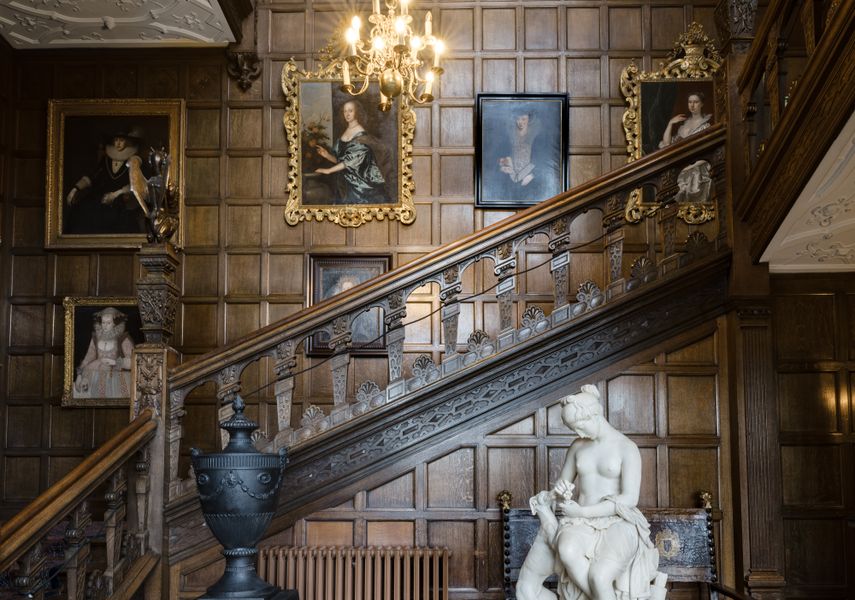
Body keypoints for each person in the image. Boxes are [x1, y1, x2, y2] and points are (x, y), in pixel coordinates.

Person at [516, 385, 666, 600]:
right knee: (566, 549)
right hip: (579, 523)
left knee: (599, 576)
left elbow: (630, 499)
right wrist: (555, 493)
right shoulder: (578, 446)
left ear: (594, 415)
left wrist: (581, 513)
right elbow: (561, 486)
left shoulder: (627, 448)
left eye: (579, 425)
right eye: (573, 428)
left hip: (617, 521)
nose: (578, 432)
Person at [65, 128, 147, 234]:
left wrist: (115, 194)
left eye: (121, 140)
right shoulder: (106, 159)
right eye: (116, 140)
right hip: (101, 197)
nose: (118, 143)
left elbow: (136, 183)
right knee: (82, 210)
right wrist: (75, 189)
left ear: (127, 142)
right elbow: (93, 177)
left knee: (116, 216)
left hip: (122, 198)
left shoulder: (134, 160)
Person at [314, 100, 392, 204]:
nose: (347, 114)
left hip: (359, 186)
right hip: (344, 183)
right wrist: (327, 155)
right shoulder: (346, 131)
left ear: (357, 112)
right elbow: (341, 161)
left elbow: (350, 161)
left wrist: (329, 171)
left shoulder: (361, 135)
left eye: (350, 111)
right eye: (345, 111)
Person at [73, 307, 135, 399]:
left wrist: (116, 362)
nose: (105, 326)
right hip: (97, 379)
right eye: (103, 323)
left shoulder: (123, 338)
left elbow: (134, 361)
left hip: (118, 379)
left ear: (114, 324)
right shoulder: (96, 338)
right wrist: (80, 375)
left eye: (108, 323)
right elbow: (88, 358)